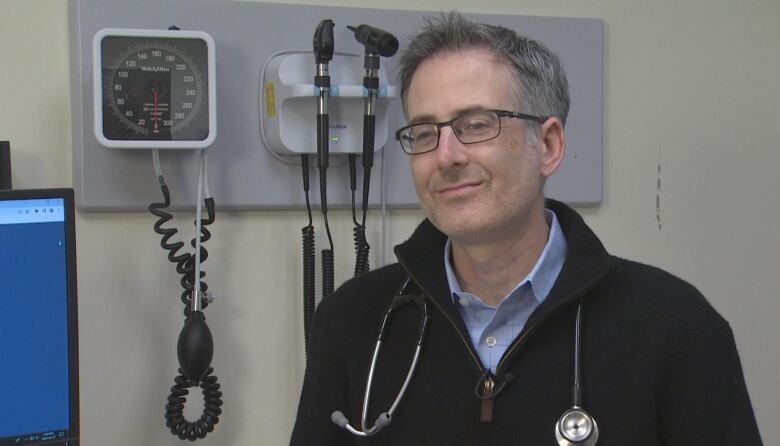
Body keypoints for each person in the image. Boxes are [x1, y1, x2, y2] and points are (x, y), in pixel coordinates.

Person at [290, 11, 762, 445]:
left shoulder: (676, 328)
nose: (447, 156)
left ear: (549, 145)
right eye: (424, 132)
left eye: (476, 125)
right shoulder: (352, 323)